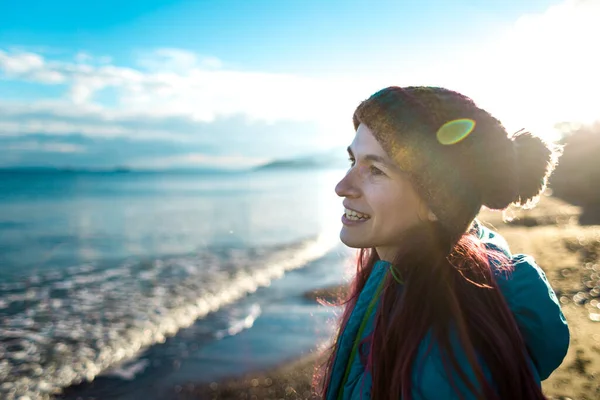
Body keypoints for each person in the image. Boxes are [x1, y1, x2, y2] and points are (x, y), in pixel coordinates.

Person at [314, 86, 570, 399]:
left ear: (438, 203)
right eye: (352, 161)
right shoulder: (402, 273)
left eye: (376, 170)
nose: (342, 187)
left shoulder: (447, 360)